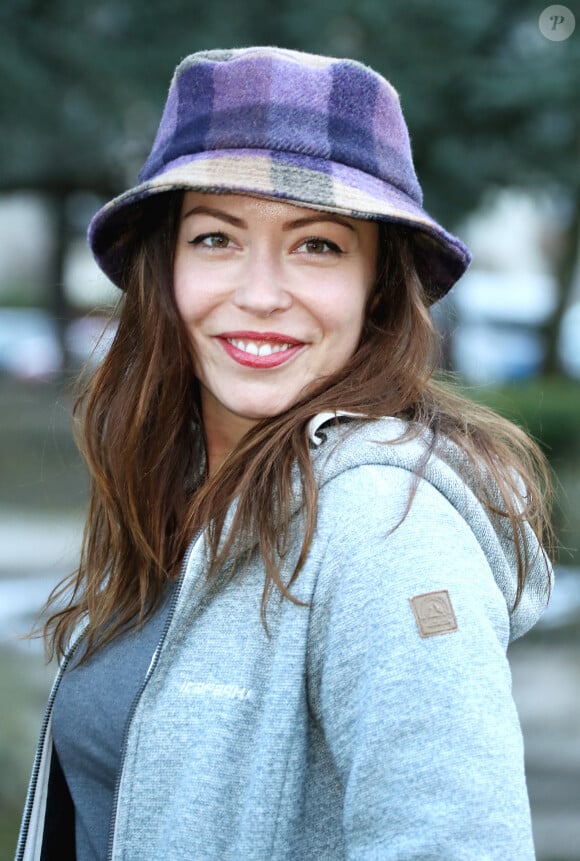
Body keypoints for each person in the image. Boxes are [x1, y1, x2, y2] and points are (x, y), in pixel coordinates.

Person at [16, 47, 553, 860]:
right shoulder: (180, 492)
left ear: (378, 283)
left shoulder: (386, 526)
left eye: (318, 246)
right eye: (216, 238)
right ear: (166, 268)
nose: (261, 292)